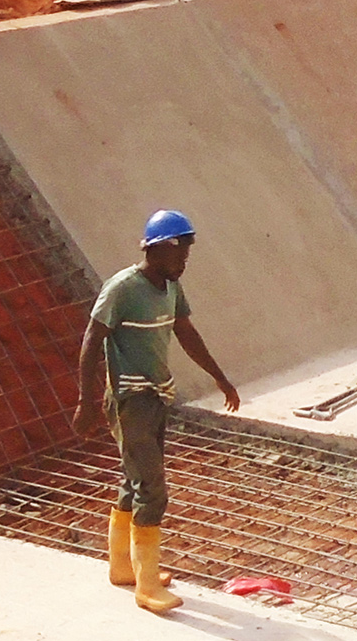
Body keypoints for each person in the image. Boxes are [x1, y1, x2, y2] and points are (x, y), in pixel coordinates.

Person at [76, 210, 240, 614]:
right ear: (157, 249)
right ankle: (147, 586)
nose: (185, 260)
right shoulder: (123, 289)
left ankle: (123, 567)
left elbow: (186, 332)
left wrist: (220, 378)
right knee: (152, 490)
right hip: (130, 401)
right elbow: (91, 341)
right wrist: (85, 402)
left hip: (156, 398)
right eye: (179, 251)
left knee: (133, 481)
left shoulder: (170, 287)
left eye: (187, 252)